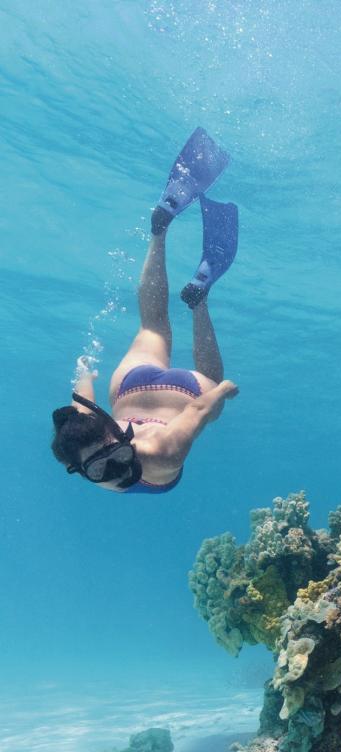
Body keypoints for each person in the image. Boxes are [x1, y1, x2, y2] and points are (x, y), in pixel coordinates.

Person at [51, 127, 240, 493]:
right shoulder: (84, 438)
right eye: (111, 466)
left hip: (182, 395)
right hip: (129, 390)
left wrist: (222, 392)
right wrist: (85, 373)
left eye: (111, 462)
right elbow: (84, 409)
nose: (119, 471)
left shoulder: (159, 454)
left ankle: (199, 300)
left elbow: (198, 411)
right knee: (152, 326)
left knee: (211, 387)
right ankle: (160, 230)